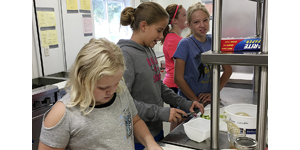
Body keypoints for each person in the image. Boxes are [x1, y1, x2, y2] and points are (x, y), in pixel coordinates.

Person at [38, 38, 162, 150]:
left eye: (116, 83)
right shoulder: (63, 114)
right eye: (103, 88)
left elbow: (135, 121)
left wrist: (150, 143)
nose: (112, 91)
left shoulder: (120, 91)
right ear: (83, 80)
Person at [117, 2, 204, 150]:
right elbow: (124, 103)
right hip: (137, 139)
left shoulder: (148, 49)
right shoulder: (125, 55)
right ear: (144, 26)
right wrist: (161, 112)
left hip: (156, 130)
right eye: (159, 30)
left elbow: (159, 86)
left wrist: (185, 103)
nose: (161, 36)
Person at [173, 2, 232, 105]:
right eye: (196, 22)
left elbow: (228, 70)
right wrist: (196, 100)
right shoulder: (185, 44)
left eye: (205, 20)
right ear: (189, 25)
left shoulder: (214, 41)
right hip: (188, 103)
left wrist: (214, 93)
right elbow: (178, 78)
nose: (202, 25)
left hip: (208, 102)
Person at [161, 4, 188, 132]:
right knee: (179, 117)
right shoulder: (173, 40)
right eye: (184, 15)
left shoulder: (176, 38)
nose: (187, 17)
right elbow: (182, 66)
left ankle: (173, 139)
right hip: (174, 84)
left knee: (178, 117)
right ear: (175, 21)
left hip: (173, 83)